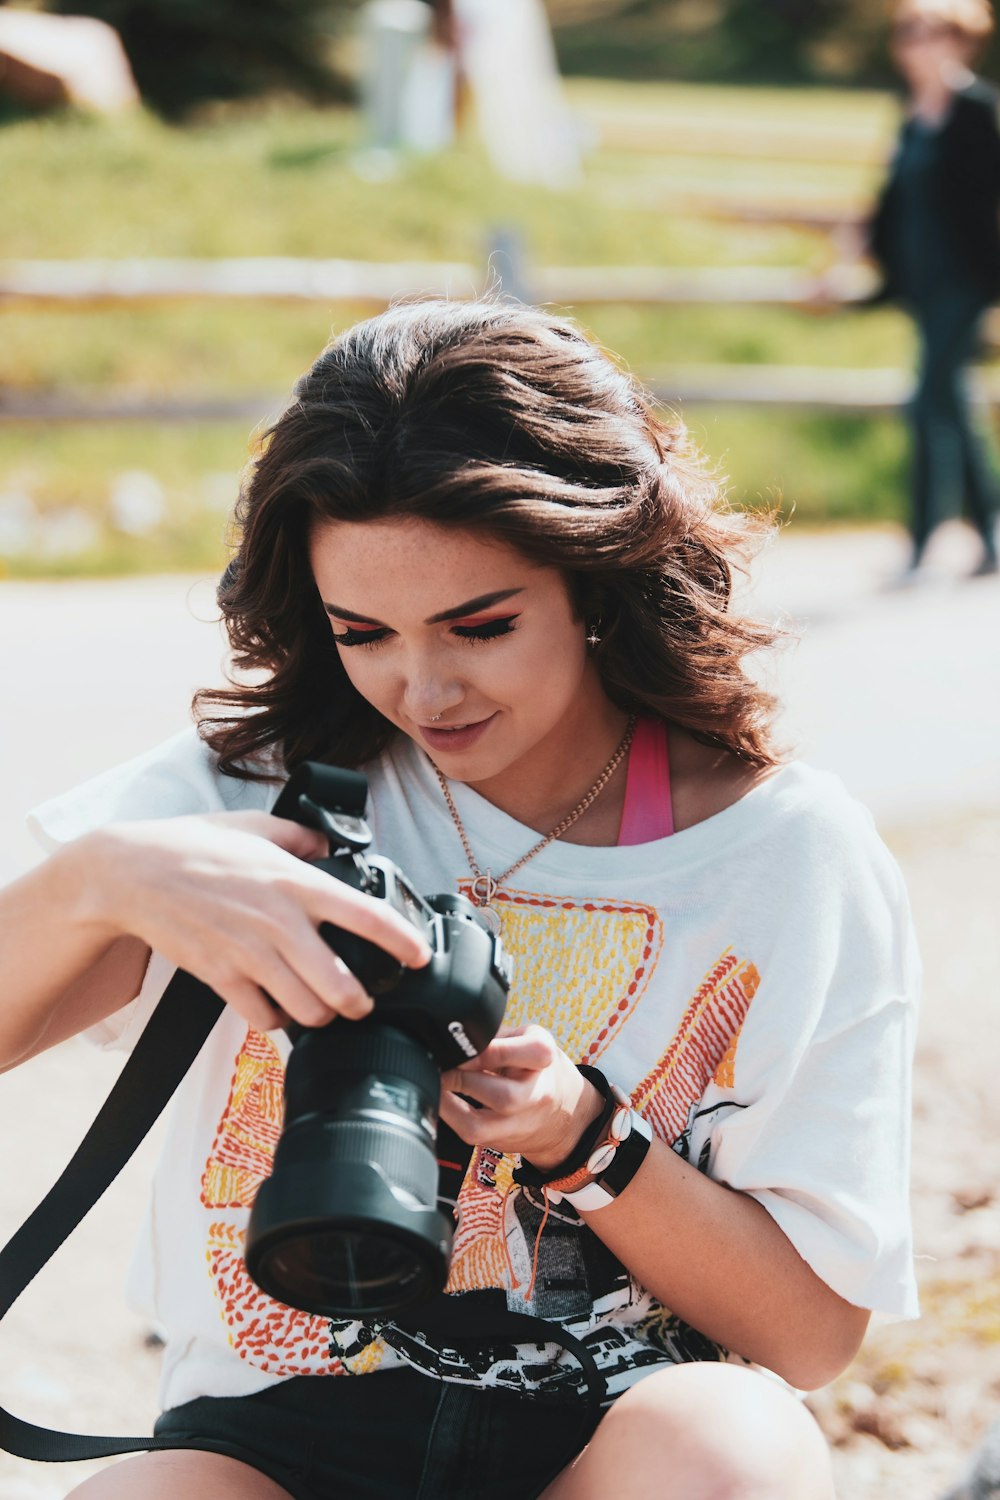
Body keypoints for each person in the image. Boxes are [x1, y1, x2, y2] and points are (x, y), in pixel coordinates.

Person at [1, 299, 919, 1500]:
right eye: (361, 632)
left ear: (598, 573)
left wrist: (581, 1139)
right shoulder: (256, 793)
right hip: (266, 1439)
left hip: (612, 1439)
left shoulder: (783, 853)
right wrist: (106, 879)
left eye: (480, 625)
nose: (422, 689)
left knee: (729, 1442)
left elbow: (808, 1340)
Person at [868, 0, 1000, 578]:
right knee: (951, 402)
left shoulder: (976, 110)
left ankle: (922, 544)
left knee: (927, 403)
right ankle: (992, 536)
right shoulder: (910, 113)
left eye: (929, 34)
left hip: (965, 282)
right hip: (920, 282)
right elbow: (890, 203)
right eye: (907, 34)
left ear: (961, 41)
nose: (916, 45)